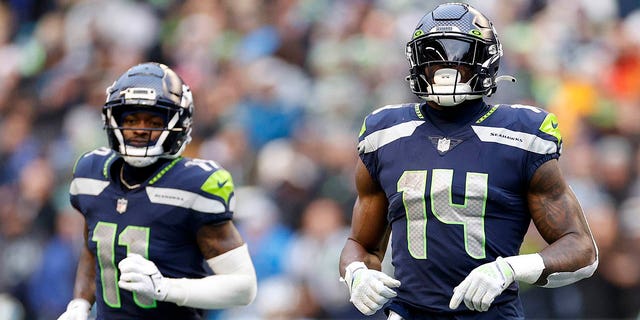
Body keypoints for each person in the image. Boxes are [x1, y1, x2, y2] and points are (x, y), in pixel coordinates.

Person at [338, 3, 598, 319]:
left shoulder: (521, 134)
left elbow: (583, 250)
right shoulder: (385, 133)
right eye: (433, 56)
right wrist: (356, 273)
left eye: (460, 56)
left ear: (486, 61)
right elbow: (361, 244)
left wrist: (510, 269)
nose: (445, 67)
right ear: (417, 62)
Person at [57, 62, 257, 320]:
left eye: (153, 121)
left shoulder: (193, 185)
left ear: (179, 124)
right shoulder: (91, 173)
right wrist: (79, 304)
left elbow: (243, 287)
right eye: (130, 119)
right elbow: (92, 249)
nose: (140, 128)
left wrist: (166, 288)